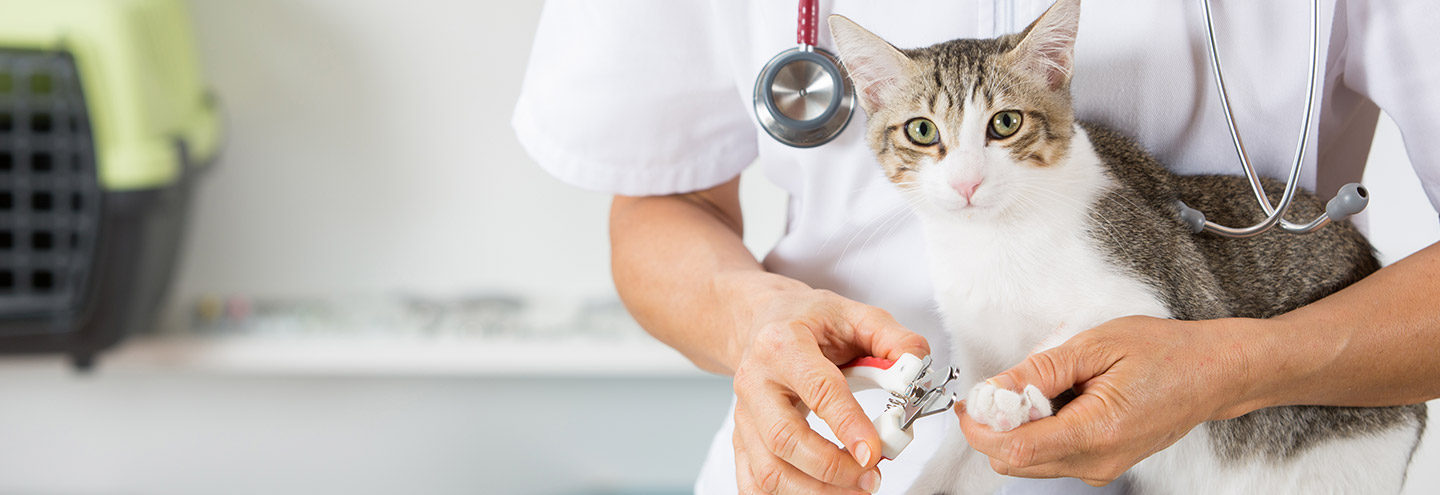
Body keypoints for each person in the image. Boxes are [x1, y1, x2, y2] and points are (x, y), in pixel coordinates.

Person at [513, 1, 1440, 493]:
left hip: (1272, 441)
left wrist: (1240, 367)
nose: (962, 175)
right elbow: (659, 201)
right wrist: (759, 323)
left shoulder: (1092, 188)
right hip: (846, 460)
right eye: (924, 137)